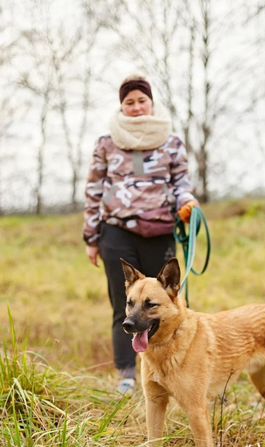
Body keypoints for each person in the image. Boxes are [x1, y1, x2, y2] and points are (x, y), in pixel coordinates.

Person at [83, 74, 198, 394]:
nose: (135, 107)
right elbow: (93, 191)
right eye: (128, 102)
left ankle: (188, 364)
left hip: (161, 232)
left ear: (151, 103)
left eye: (141, 100)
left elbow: (181, 185)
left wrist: (188, 203)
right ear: (122, 106)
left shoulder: (171, 142)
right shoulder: (107, 143)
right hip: (117, 233)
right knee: (125, 305)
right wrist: (91, 237)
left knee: (171, 301)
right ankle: (127, 374)